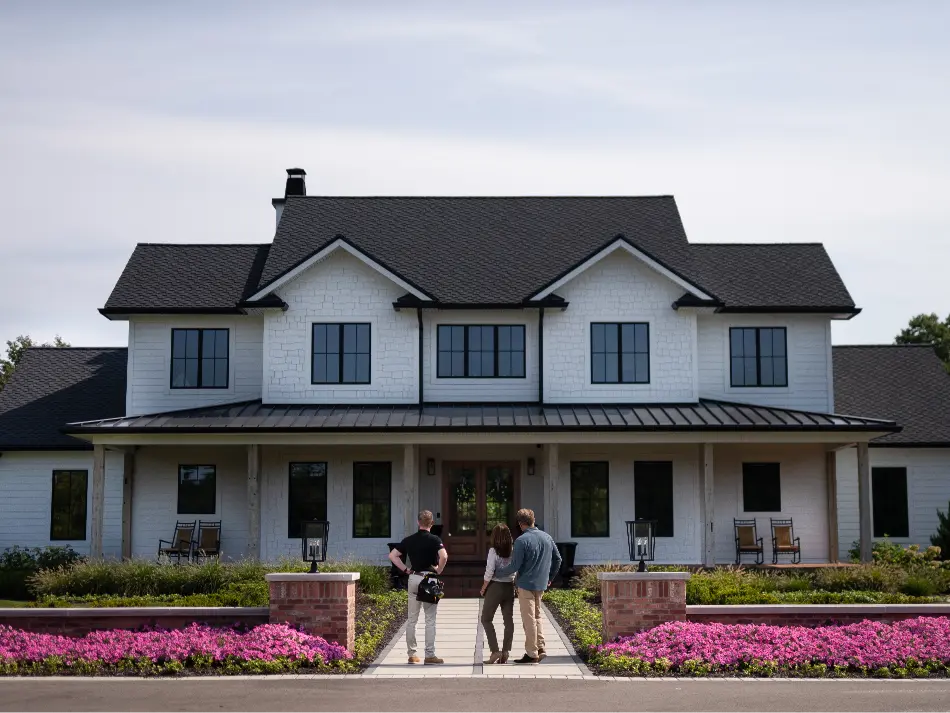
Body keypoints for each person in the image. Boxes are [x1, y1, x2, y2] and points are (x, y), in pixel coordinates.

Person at [492, 508, 561, 664]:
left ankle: (532, 653)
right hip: (541, 583)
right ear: (533, 519)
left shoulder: (522, 541)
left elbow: (515, 566)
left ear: (520, 523)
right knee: (537, 616)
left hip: (526, 584)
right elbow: (558, 560)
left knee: (528, 618)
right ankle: (541, 647)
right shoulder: (547, 537)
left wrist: (498, 572)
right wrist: (550, 578)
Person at [389, 510, 448, 665]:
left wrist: (405, 570)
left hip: (414, 577)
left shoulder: (409, 540)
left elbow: (393, 555)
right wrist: (439, 570)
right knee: (430, 620)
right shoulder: (435, 539)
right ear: (432, 523)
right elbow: (444, 556)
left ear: (418, 522)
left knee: (412, 619)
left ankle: (412, 654)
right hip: (429, 579)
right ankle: (430, 655)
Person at [479, 523, 516, 664]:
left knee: (486, 619)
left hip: (496, 586)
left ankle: (495, 651)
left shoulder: (493, 551)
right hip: (509, 586)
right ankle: (506, 651)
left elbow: (489, 571)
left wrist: (483, 588)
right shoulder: (513, 550)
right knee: (508, 620)